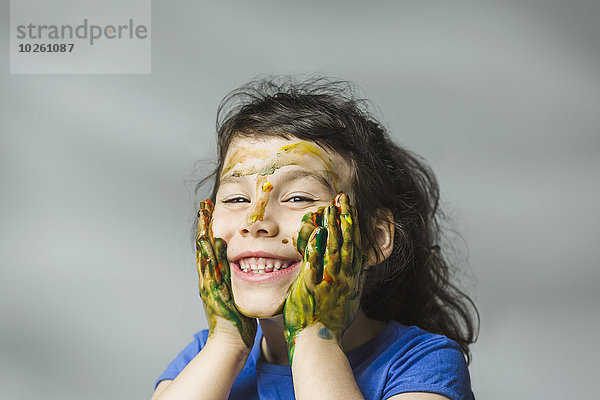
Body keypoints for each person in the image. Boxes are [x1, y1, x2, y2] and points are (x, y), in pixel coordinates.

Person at [152, 76, 479, 400]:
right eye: (236, 199)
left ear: (375, 238)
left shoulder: (422, 364)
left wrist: (313, 335)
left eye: (298, 198)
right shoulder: (204, 355)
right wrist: (226, 342)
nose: (255, 221)